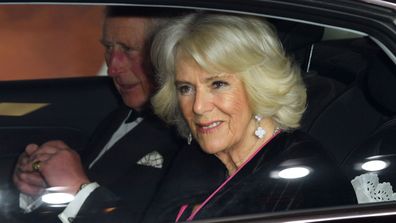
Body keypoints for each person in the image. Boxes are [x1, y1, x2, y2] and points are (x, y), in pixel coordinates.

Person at [145, 12, 356, 221]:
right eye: (185, 88)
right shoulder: (193, 158)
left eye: (218, 84)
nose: (198, 106)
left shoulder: (309, 185)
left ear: (258, 85)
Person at [12, 6, 182, 223]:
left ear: (169, 51)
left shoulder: (188, 138)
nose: (112, 67)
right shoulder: (116, 118)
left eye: (128, 49)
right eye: (109, 47)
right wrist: (43, 188)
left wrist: (78, 190)